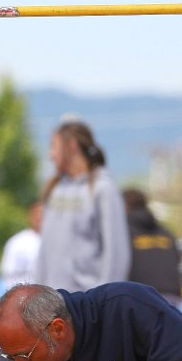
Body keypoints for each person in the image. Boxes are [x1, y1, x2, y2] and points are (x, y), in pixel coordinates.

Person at [0, 282, 182, 361]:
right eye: (11, 358)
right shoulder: (28, 354)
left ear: (57, 329)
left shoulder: (130, 307)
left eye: (25, 355)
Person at [35, 119, 130, 292]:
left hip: (86, 303)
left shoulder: (102, 188)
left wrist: (104, 301)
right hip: (51, 303)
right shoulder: (54, 189)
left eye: (54, 146)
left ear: (71, 146)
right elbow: (44, 252)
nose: (50, 154)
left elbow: (116, 253)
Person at [122, 187, 182, 307]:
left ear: (125, 206)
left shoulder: (123, 233)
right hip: (172, 298)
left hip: (138, 298)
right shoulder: (166, 232)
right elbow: (178, 259)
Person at [0, 198, 43, 286]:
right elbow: (8, 275)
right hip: (26, 295)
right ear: (30, 215)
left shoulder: (58, 241)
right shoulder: (18, 242)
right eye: (37, 214)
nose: (40, 218)